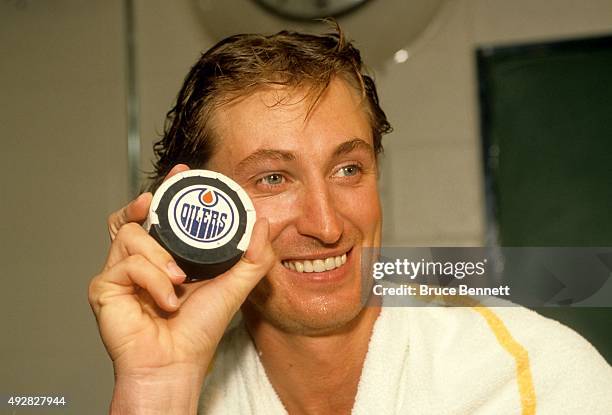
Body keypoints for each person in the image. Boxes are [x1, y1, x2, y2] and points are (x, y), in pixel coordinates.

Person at [89, 25, 612, 414]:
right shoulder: (183, 398)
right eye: (273, 177)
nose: (328, 224)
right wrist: (158, 387)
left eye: (347, 168)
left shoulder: (538, 379)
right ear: (202, 208)